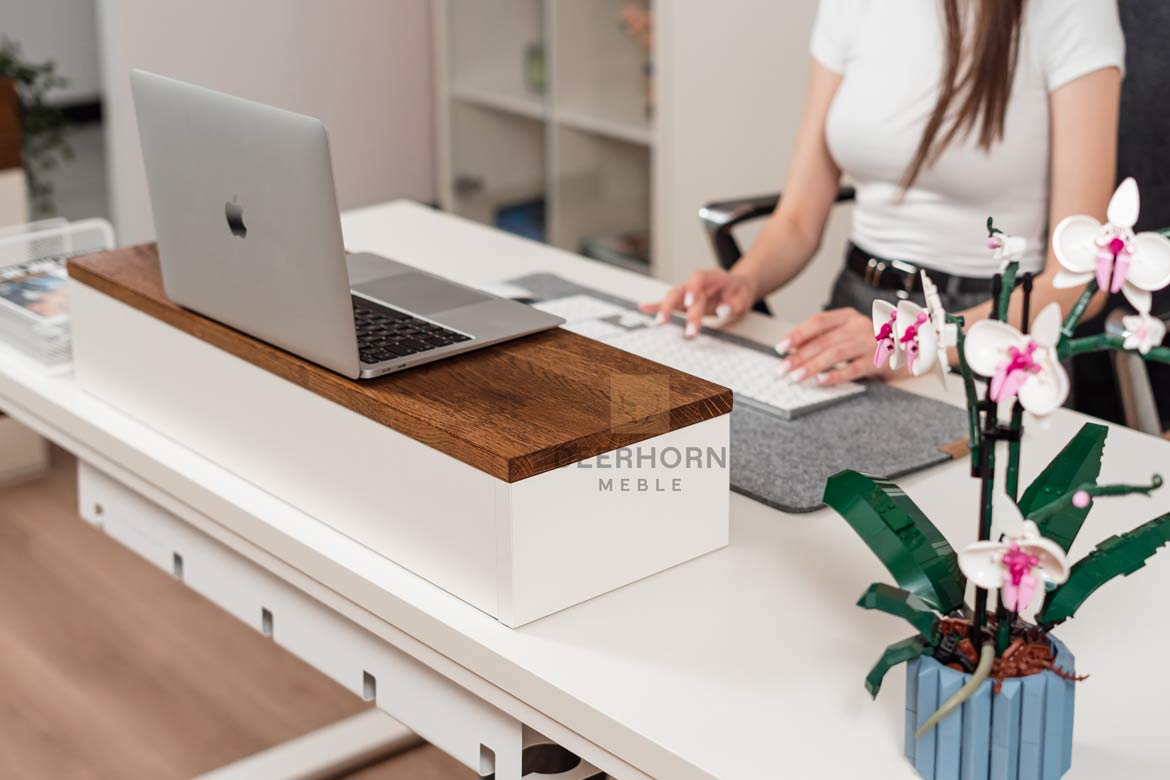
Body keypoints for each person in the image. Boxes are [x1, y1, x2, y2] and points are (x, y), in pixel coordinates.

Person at [641, 0, 1125, 386]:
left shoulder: (1071, 10)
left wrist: (918, 339)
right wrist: (744, 280)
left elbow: (1081, 279)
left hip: (982, 329)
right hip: (855, 309)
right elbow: (797, 222)